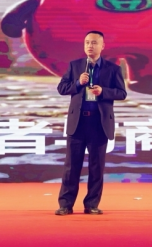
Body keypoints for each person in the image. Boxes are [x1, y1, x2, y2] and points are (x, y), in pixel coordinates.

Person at [55, 31, 127, 216]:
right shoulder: (75, 66)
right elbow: (62, 88)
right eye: (87, 42)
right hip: (78, 122)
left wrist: (103, 91)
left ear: (102, 46)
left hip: (99, 123)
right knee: (71, 166)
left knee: (96, 166)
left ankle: (92, 204)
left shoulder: (113, 69)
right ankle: (66, 205)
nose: (90, 46)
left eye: (94, 43)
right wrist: (78, 83)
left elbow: (121, 93)